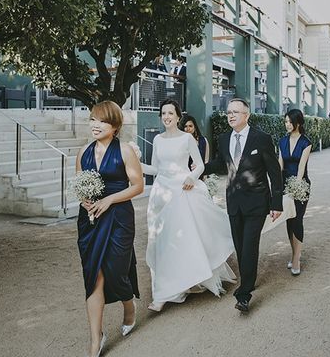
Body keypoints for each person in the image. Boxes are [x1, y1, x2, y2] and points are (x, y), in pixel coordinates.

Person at [142, 99, 235, 312]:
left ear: (177, 116)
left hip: (182, 191)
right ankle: (163, 291)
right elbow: (155, 168)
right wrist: (135, 163)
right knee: (162, 241)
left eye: (170, 113)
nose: (166, 117)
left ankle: (174, 288)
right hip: (162, 193)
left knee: (183, 240)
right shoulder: (157, 139)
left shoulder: (186, 139)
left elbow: (200, 164)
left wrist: (193, 177)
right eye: (163, 113)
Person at [76, 101, 144, 357]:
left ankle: (129, 306)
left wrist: (109, 200)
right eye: (92, 119)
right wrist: (85, 200)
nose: (95, 125)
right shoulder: (83, 152)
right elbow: (80, 186)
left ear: (115, 126)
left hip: (119, 219)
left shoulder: (125, 150)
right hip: (90, 220)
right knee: (94, 276)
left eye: (101, 121)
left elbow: (138, 186)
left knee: (116, 271)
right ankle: (96, 339)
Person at [203, 98, 283, 313]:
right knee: (240, 247)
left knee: (249, 246)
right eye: (229, 112)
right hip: (234, 203)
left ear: (246, 115)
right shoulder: (223, 138)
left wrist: (277, 203)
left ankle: (244, 294)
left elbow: (275, 173)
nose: (231, 115)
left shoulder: (262, 139)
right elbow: (221, 164)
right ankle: (250, 277)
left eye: (236, 112)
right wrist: (200, 168)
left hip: (257, 203)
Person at [278, 109, 312, 277]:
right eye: (285, 122)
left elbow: (301, 168)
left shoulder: (306, 142)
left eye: (290, 122)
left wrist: (296, 187)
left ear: (298, 123)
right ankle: (294, 253)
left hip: (300, 185)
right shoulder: (282, 141)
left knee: (297, 219)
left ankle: (297, 259)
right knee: (289, 221)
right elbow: (280, 166)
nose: (287, 125)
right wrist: (277, 185)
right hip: (285, 185)